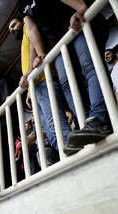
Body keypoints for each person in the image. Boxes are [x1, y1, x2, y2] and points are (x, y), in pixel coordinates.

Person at [16, 0, 113, 152]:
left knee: (90, 66)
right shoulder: (20, 3)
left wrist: (80, 7)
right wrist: (40, 54)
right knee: (67, 83)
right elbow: (32, 28)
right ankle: (87, 123)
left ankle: (100, 117)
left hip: (77, 21)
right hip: (60, 40)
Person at [8, 17, 75, 155]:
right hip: (35, 86)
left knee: (55, 121)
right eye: (10, 29)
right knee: (49, 129)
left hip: (44, 81)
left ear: (21, 21)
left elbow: (34, 44)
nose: (12, 29)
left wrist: (29, 73)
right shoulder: (22, 42)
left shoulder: (28, 26)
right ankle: (65, 155)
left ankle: (73, 149)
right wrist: (29, 90)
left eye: (14, 25)